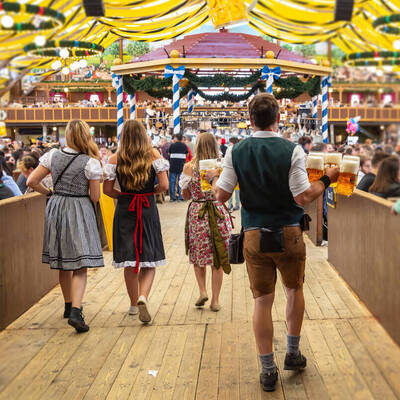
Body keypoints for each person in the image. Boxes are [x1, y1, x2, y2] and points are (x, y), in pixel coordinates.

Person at [206, 93, 339, 392]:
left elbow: (222, 195)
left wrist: (215, 178)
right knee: (294, 291)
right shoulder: (291, 150)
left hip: (254, 235)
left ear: (250, 119)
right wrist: (328, 178)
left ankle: (268, 370)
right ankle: (292, 353)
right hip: (290, 233)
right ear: (278, 117)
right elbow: (302, 196)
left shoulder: (235, 151)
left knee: (262, 302)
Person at [27, 119, 104, 333]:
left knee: (63, 260)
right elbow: (95, 197)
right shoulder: (90, 162)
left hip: (57, 206)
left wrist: (50, 193)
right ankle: (77, 311)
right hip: (79, 207)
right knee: (81, 263)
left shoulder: (52, 155)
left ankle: (68, 305)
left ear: (68, 135)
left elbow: (31, 182)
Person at [103, 120, 169, 324]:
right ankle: (143, 296)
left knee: (130, 260)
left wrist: (123, 196)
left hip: (125, 209)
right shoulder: (154, 156)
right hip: (147, 208)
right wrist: (150, 192)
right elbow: (165, 185)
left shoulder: (115, 159)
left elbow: (107, 190)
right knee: (149, 257)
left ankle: (133, 304)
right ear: (143, 136)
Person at [179, 133, 232, 312]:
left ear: (197, 146)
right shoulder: (221, 167)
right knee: (217, 254)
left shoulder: (189, 167)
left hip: (198, 213)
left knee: (198, 254)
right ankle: (215, 300)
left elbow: (185, 195)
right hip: (218, 211)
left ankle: (202, 291)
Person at [168, 133, 188, 202]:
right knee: (181, 182)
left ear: (176, 138)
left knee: (172, 182)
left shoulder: (172, 145)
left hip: (173, 165)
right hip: (181, 166)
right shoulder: (184, 145)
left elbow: (169, 153)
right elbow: (187, 153)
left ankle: (172, 198)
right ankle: (180, 196)